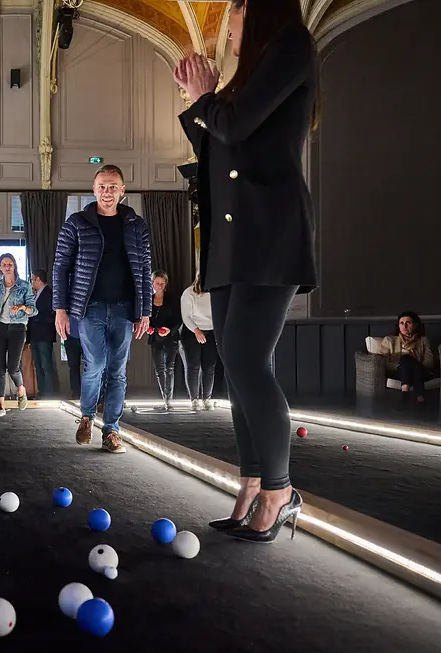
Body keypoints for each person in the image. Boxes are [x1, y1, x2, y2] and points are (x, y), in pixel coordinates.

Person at [174, 0, 318, 542]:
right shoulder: (246, 77)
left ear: (253, 12)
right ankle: (252, 483)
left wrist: (204, 96)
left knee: (245, 357)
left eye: (231, 19)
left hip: (268, 234)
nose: (227, 33)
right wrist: (203, 101)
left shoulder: (291, 46)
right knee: (233, 364)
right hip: (233, 243)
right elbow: (213, 145)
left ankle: (280, 491)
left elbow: (234, 126)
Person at [52, 165, 152, 453]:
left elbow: (145, 270)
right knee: (94, 365)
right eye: (102, 186)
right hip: (88, 308)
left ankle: (112, 430)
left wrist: (144, 310)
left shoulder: (137, 225)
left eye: (113, 186)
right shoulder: (77, 223)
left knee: (118, 371)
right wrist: (60, 308)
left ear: (122, 191)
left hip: (124, 309)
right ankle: (86, 417)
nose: (107, 192)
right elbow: (60, 267)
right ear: (93, 190)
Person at [0, 253, 35, 416]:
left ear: (14, 266)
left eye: (10, 264)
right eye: (4, 265)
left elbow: (33, 310)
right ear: (0, 268)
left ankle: (21, 390)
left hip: (18, 327)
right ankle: (1, 405)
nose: (7, 267)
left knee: (13, 366)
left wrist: (22, 307)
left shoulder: (24, 285)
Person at [381, 311, 435, 408]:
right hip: (398, 372)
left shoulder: (424, 341)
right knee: (405, 359)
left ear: (415, 325)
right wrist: (402, 366)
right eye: (401, 323)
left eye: (408, 323)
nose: (404, 326)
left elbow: (429, 362)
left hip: (420, 371)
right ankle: (420, 397)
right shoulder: (389, 340)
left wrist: (414, 365)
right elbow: (383, 362)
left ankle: (405, 394)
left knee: (408, 361)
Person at [180, 273, 217, 411]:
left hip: (211, 330)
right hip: (192, 330)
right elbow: (186, 316)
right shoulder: (188, 293)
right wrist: (196, 330)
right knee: (193, 366)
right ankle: (194, 399)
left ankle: (207, 398)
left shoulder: (214, 293)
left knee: (209, 367)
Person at [147, 271, 181, 411]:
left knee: (169, 368)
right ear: (152, 283)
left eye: (162, 283)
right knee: (159, 370)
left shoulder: (172, 298)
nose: (160, 285)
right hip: (155, 337)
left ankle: (169, 400)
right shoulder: (148, 299)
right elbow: (145, 318)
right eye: (157, 282)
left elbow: (179, 319)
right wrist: (149, 328)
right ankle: (164, 398)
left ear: (165, 284)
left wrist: (170, 330)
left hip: (170, 337)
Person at [28, 269, 57, 398]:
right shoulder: (36, 294)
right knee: (38, 364)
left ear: (38, 279)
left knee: (46, 364)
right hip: (35, 335)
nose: (32, 282)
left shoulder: (48, 293)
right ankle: (42, 391)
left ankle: (49, 393)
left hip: (44, 335)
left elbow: (50, 314)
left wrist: (35, 317)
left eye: (33, 279)